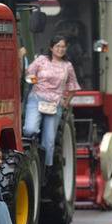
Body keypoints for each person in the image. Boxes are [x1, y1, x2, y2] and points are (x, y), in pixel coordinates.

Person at [23, 35, 81, 169]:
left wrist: (66, 102)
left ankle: (45, 168)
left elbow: (73, 86)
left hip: (55, 104)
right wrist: (32, 79)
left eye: (63, 47)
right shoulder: (41, 60)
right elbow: (29, 73)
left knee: (49, 141)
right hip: (37, 98)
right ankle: (29, 155)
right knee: (30, 129)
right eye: (57, 46)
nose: (60, 49)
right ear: (51, 47)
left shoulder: (67, 66)